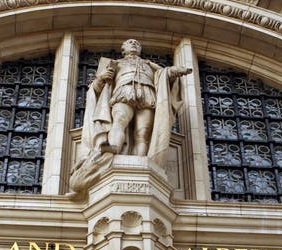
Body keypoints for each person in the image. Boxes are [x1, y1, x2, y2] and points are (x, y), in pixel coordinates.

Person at [69, 39, 192, 198]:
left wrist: (174, 71)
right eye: (130, 42)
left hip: (147, 93)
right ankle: (112, 148)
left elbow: (163, 76)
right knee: (119, 120)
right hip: (124, 91)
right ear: (123, 49)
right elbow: (97, 88)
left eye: (136, 43)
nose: (134, 43)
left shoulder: (149, 64)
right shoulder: (115, 64)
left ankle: (141, 163)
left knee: (143, 132)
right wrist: (101, 78)